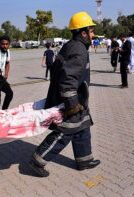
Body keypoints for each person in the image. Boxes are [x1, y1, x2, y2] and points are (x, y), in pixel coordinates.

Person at [28, 11, 100, 177]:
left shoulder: (72, 45)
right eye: (91, 30)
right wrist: (72, 104)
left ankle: (84, 160)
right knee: (65, 131)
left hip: (78, 98)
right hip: (71, 100)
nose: (93, 34)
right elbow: (68, 80)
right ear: (83, 32)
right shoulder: (78, 50)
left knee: (82, 125)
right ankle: (37, 161)